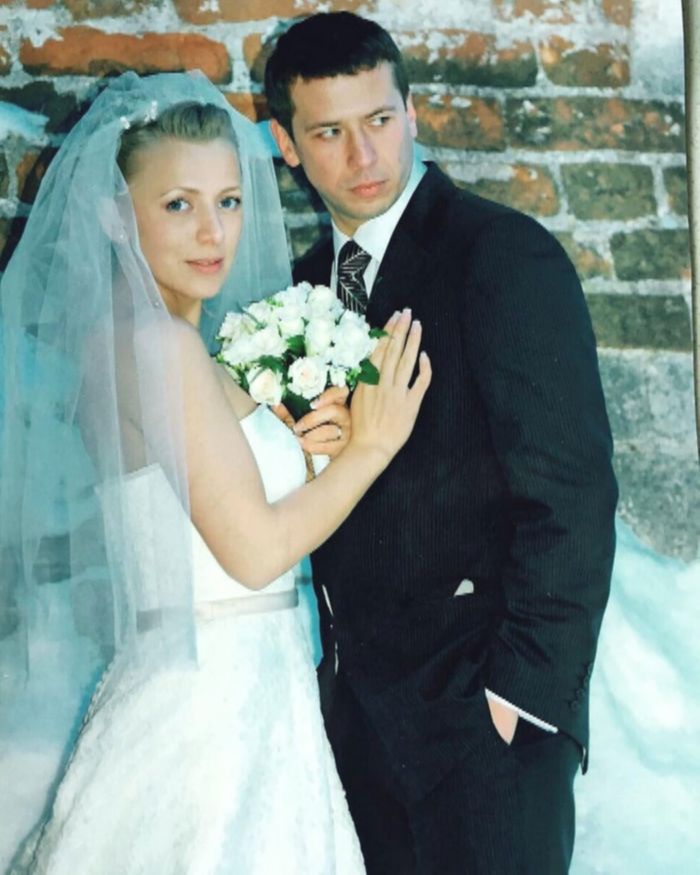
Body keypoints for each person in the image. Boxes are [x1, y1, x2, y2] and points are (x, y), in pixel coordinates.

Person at [0, 70, 431, 874]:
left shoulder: (161, 344)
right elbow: (256, 551)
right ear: (113, 213)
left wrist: (318, 452)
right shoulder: (158, 344)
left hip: (243, 692)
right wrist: (374, 446)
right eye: (178, 204)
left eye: (228, 201)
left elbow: (230, 503)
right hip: (214, 717)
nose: (212, 231)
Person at [265, 12, 618, 874]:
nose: (364, 155)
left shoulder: (501, 255)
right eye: (329, 132)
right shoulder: (298, 293)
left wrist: (519, 699)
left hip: (484, 722)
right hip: (354, 730)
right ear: (286, 144)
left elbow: (572, 495)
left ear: (412, 112)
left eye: (380, 120)